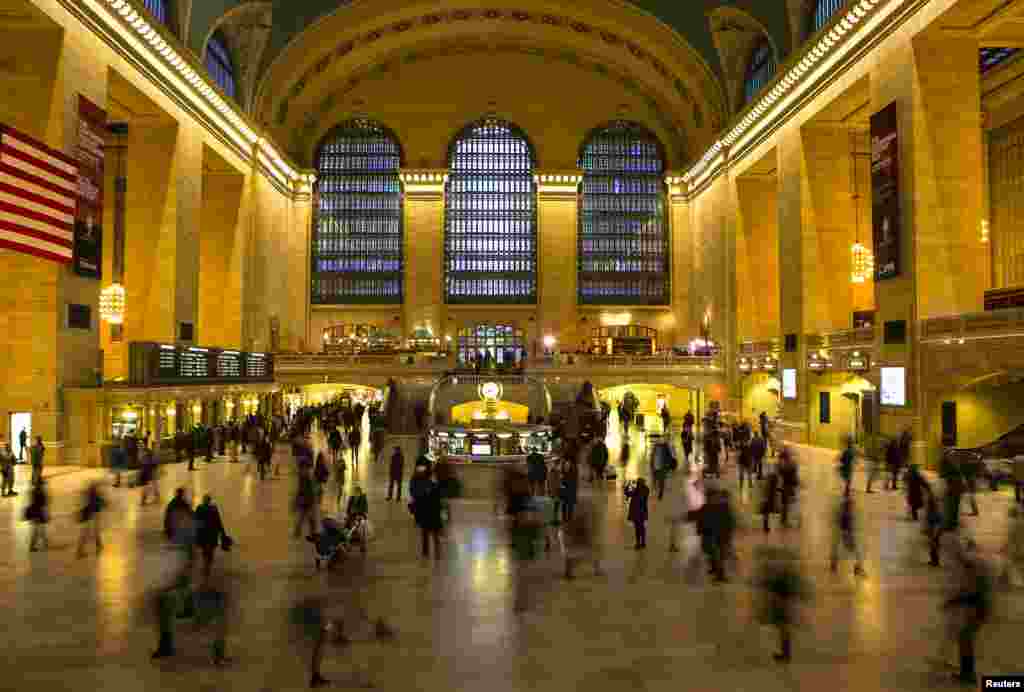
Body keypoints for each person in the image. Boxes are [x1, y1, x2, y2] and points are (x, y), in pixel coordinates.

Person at [942, 539, 992, 684]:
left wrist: (954, 601)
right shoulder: (978, 563)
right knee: (964, 638)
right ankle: (966, 671)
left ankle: (968, 674)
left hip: (979, 608)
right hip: (979, 607)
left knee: (965, 638)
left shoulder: (974, 565)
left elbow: (973, 593)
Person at [756, 546, 808, 663]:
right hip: (781, 602)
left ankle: (786, 654)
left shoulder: (778, 571)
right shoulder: (779, 569)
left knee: (783, 628)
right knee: (783, 628)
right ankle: (785, 653)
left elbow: (778, 586)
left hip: (781, 603)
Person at [830, 489, 866, 576]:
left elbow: (855, 519)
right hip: (844, 532)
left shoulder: (848, 506)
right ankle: (835, 562)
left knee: (856, 550)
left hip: (847, 532)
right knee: (852, 549)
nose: (852, 498)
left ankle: (857, 567)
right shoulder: (842, 507)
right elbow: (837, 519)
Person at [194, 494, 230, 580]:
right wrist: (223, 534)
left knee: (205, 551)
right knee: (210, 552)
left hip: (203, 535)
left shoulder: (199, 508)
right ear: (209, 501)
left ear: (204, 500)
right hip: (212, 535)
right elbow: (219, 522)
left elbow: (195, 522)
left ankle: (206, 566)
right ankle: (207, 566)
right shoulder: (213, 509)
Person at [412, 470, 443, 559]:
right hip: (434, 515)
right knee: (435, 536)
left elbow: (419, 501)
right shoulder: (435, 486)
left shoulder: (423, 487)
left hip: (426, 515)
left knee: (425, 534)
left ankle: (425, 553)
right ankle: (437, 553)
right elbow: (439, 502)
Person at [77, 482, 106, 558]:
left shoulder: (92, 496)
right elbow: (98, 503)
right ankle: (80, 551)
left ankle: (98, 544)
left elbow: (99, 503)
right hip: (90, 516)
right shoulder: (94, 496)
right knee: (87, 533)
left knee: (92, 531)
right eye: (96, 487)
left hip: (91, 516)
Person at [625, 477, 650, 549]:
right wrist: (629, 486)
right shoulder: (645, 490)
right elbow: (628, 493)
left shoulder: (637, 490)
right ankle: (642, 542)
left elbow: (627, 493)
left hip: (637, 512)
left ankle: (639, 543)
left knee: (638, 528)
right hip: (642, 511)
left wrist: (628, 485)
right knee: (641, 527)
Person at [778, 448, 800, 528]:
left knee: (786, 504)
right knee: (789, 503)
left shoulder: (783, 464)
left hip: (786, 485)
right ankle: (787, 520)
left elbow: (781, 472)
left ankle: (784, 520)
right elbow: (792, 471)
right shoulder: (790, 464)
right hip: (788, 485)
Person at [25, 478, 49, 552]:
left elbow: (32, 502)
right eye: (42, 484)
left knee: (40, 529)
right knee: (37, 530)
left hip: (37, 513)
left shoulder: (34, 491)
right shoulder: (39, 492)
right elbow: (42, 504)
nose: (43, 485)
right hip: (38, 513)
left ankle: (44, 543)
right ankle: (32, 546)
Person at [558, 458, 578, 523]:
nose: (567, 465)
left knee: (569, 503)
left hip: (570, 488)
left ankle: (569, 517)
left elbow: (575, 480)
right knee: (565, 503)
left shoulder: (573, 469)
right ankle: (565, 517)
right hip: (566, 488)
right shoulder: (563, 469)